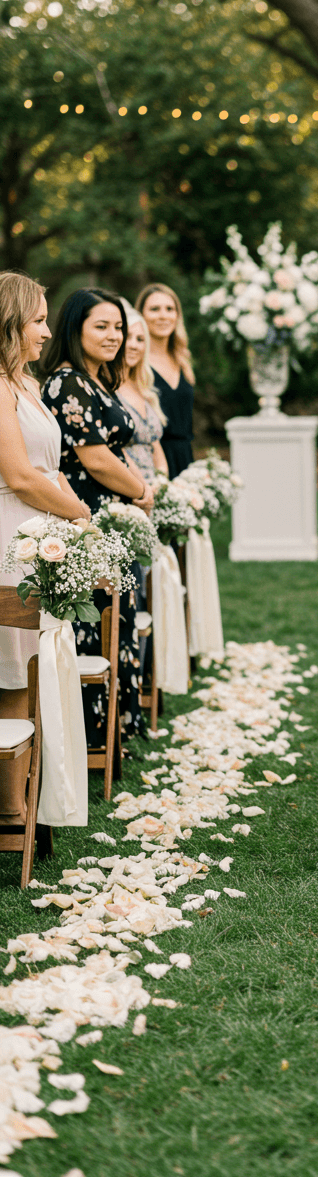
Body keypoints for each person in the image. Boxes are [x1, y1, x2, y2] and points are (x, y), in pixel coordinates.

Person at [42, 289, 153, 744]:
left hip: (111, 517)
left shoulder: (96, 379)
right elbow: (97, 460)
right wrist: (143, 490)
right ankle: (93, 732)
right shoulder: (67, 382)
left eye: (118, 327)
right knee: (98, 623)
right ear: (75, 329)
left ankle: (118, 727)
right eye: (101, 326)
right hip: (85, 515)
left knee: (119, 620)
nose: (114, 335)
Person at [0, 273, 91, 822]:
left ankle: (27, 794)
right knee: (10, 668)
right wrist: (80, 514)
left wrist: (76, 522)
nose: (47, 330)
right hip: (9, 536)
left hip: (39, 540)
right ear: (9, 324)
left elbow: (49, 471)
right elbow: (19, 475)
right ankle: (10, 811)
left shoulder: (26, 385)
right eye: (37, 319)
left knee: (31, 665)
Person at [136, 283, 194, 478]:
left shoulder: (182, 360)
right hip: (152, 459)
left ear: (177, 315)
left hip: (185, 456)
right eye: (154, 309)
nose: (163, 315)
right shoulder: (135, 362)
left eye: (170, 309)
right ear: (141, 315)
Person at [118, 306, 168, 487]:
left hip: (154, 488)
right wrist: (142, 487)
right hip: (129, 486)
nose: (133, 345)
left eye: (140, 339)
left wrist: (162, 483)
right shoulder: (107, 389)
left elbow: (155, 445)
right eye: (128, 337)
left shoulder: (143, 388)